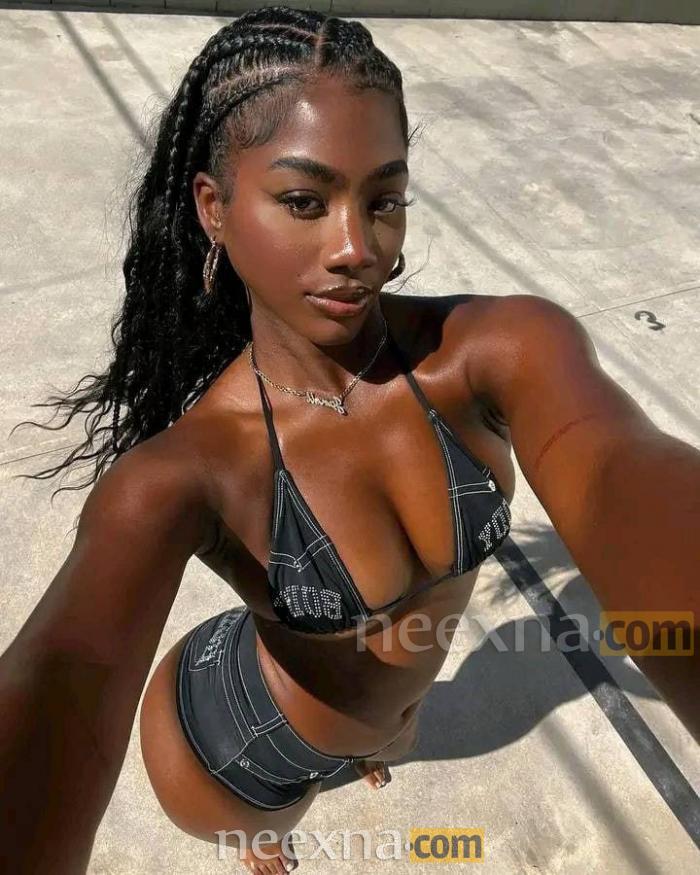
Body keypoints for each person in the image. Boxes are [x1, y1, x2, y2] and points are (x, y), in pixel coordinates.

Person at [0, 6, 698, 874]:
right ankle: (266, 839)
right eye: (304, 200)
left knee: (381, 737)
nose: (356, 247)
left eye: (384, 201)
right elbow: (59, 681)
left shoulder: (495, 351)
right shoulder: (186, 474)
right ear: (215, 208)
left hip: (379, 722)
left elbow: (623, 473)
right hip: (238, 748)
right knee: (273, 834)